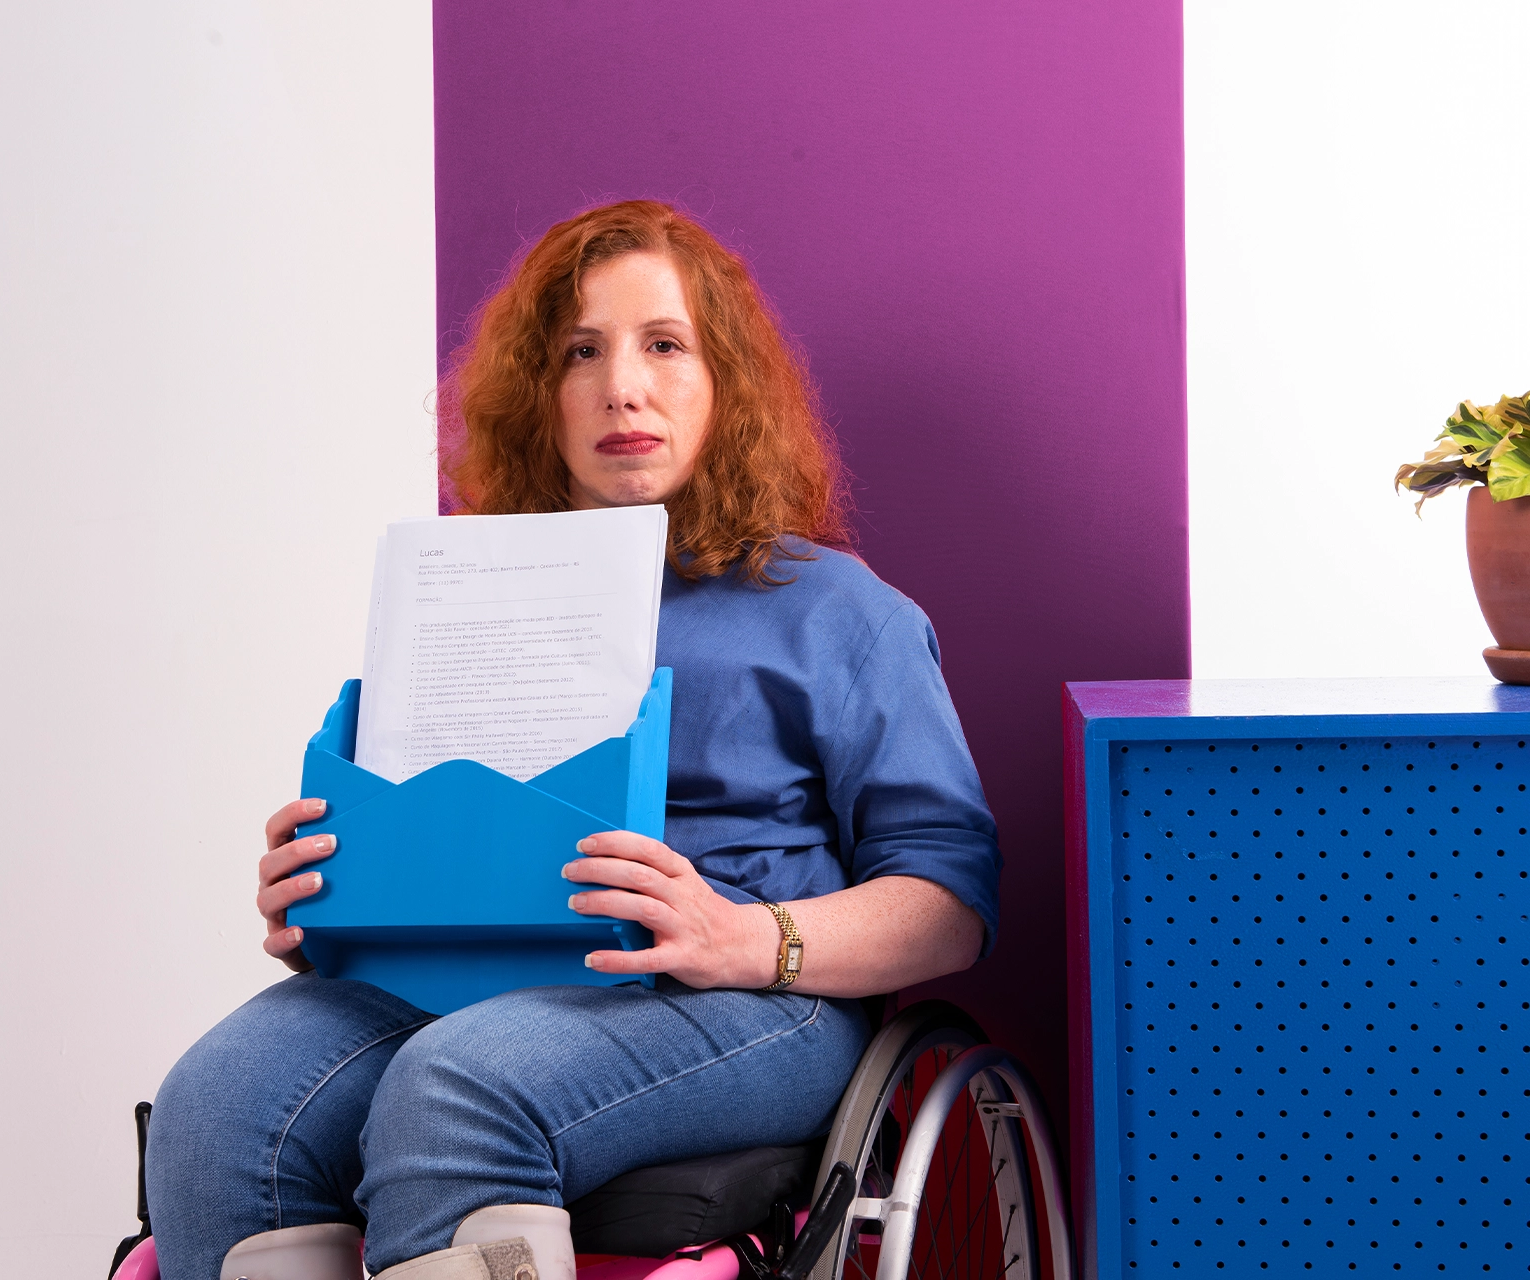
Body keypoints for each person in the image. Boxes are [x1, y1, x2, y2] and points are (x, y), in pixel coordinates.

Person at [144, 200, 1001, 1280]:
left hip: (741, 996)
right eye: (580, 352)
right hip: (462, 970)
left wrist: (747, 938)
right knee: (216, 1102)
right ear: (539, 397)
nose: (621, 385)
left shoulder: (837, 613)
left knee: (461, 1081)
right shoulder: (465, 588)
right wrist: (328, 888)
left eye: (664, 344)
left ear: (722, 382)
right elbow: (405, 819)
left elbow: (952, 903)